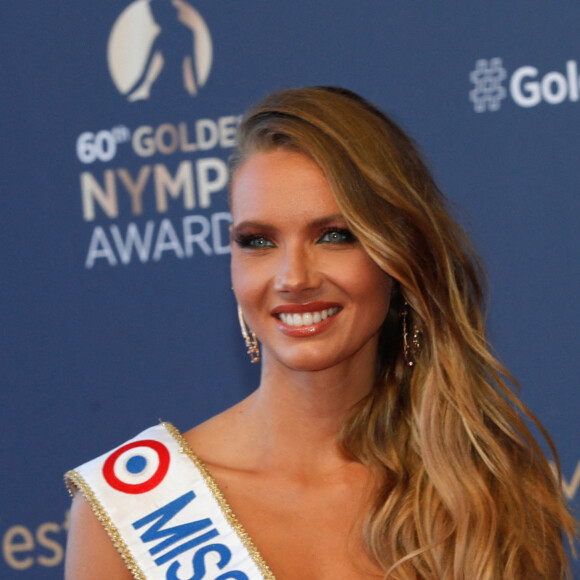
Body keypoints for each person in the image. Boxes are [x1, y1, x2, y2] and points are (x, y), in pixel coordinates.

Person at [64, 86, 577, 579]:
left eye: (334, 235)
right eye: (258, 241)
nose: (294, 278)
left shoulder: (486, 490)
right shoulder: (127, 512)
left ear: (397, 256)